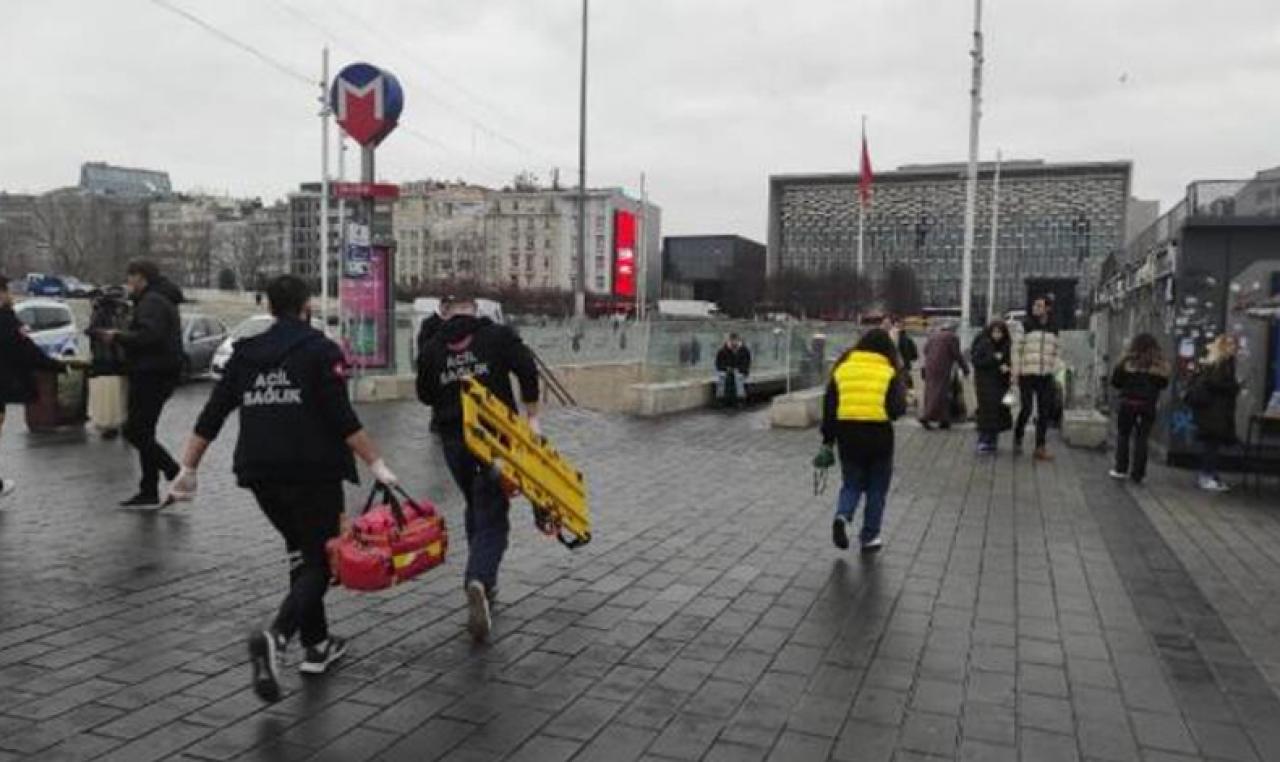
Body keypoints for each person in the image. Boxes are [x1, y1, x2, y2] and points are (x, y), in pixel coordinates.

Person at [165, 275, 399, 703]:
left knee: (302, 552)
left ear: (270, 308)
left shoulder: (246, 353)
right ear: (306, 305)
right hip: (312, 472)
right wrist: (378, 465)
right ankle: (278, 636)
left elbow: (212, 414)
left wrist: (188, 468)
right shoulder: (319, 350)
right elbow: (341, 417)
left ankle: (318, 645)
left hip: (260, 474)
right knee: (324, 560)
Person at [416, 294, 540, 642]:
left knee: (476, 501)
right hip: (495, 441)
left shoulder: (431, 349)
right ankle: (480, 579)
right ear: (475, 310)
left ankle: (482, 579)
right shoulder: (496, 335)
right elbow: (527, 368)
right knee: (494, 510)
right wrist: (532, 417)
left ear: (447, 313)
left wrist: (450, 386)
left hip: (454, 442)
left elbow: (425, 395)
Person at [93, 260, 185, 507]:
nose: (128, 284)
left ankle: (175, 472)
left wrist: (117, 336)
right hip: (156, 373)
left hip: (151, 374)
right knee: (145, 432)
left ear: (141, 278)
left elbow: (149, 336)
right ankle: (148, 490)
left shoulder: (152, 302)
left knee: (135, 431)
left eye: (130, 278)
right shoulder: (158, 299)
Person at [815, 329, 908, 554]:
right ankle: (870, 537)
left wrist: (828, 439)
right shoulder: (889, 371)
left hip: (848, 435)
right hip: (879, 436)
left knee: (851, 483)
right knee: (877, 489)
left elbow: (829, 408)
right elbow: (896, 410)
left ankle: (842, 516)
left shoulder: (842, 368)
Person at [0, 275, 69, 498]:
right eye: (5, 290)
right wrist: (55, 366)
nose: (9, 295)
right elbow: (25, 350)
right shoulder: (5, 320)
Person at [1109, 333, 1170, 484]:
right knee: (1142, 439)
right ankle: (1138, 474)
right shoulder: (1158, 364)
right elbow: (1163, 384)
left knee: (1123, 436)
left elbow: (1116, 382)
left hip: (1128, 404)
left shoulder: (1127, 361)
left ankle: (1121, 469)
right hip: (1147, 406)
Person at [1187, 334, 1240, 492]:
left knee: (1211, 445)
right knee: (1212, 445)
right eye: (1232, 345)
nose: (1235, 348)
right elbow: (1216, 384)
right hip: (1215, 411)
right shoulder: (1222, 363)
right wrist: (1234, 386)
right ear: (1223, 347)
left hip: (1210, 411)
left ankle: (1210, 475)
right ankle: (1207, 476)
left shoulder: (1211, 362)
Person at [1013, 296, 1060, 460]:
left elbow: (1057, 351)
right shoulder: (1025, 325)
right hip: (1027, 373)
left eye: (1039, 305)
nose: (1035, 308)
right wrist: (1016, 372)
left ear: (1048, 308)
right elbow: (1016, 350)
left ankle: (1040, 447)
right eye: (1034, 305)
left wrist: (1055, 369)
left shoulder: (1053, 327)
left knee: (1044, 411)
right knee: (1026, 408)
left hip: (1046, 375)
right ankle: (1018, 437)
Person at [971, 320, 1013, 454]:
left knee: (999, 411)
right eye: (995, 332)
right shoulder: (984, 343)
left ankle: (993, 440)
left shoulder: (1006, 345)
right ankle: (983, 440)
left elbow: (1009, 361)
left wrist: (1007, 368)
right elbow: (977, 361)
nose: (997, 335)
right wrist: (994, 359)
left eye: (1000, 332)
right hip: (985, 383)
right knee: (986, 412)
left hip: (1001, 383)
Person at [919, 322, 969, 429]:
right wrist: (965, 369)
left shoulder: (933, 336)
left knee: (933, 392)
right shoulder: (952, 337)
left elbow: (925, 350)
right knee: (939, 393)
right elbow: (957, 355)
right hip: (942, 368)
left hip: (929, 367)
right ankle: (926, 417)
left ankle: (944, 419)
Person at [714, 333, 752, 407]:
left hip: (740, 371)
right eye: (732, 340)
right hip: (726, 371)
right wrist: (726, 368)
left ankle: (740, 398)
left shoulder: (744, 350)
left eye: (735, 340)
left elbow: (746, 363)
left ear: (738, 340)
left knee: (738, 377)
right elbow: (718, 364)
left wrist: (739, 369)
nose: (734, 342)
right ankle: (720, 398)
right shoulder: (722, 350)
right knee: (721, 377)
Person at [882, 315, 919, 386]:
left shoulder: (901, 336)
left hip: (900, 365)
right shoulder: (905, 337)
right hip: (902, 365)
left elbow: (912, 352)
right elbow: (913, 354)